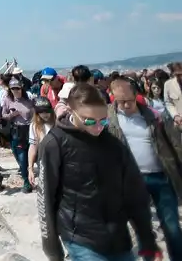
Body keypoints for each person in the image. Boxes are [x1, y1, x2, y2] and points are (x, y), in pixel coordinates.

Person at [37, 83, 161, 261]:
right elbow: (45, 198)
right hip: (79, 237)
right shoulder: (54, 144)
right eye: (89, 121)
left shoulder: (114, 145)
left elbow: (135, 194)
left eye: (103, 120)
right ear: (71, 111)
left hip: (118, 237)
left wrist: (147, 240)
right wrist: (52, 249)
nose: (97, 127)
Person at [106, 78, 182, 260]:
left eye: (128, 101)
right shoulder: (109, 118)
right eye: (120, 101)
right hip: (132, 181)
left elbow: (176, 145)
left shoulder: (154, 115)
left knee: (171, 225)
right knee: (142, 227)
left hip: (161, 177)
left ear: (136, 95)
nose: (124, 105)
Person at [1, 78, 35, 192]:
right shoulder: (7, 100)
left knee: (24, 156)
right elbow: (3, 115)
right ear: (10, 89)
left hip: (28, 129)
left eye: (17, 88)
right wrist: (11, 115)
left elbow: (34, 115)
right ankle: (25, 174)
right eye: (13, 88)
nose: (15, 90)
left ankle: (26, 182)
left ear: (21, 88)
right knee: (19, 156)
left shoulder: (29, 100)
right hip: (15, 130)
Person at [27, 97, 56, 188]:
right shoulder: (34, 126)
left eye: (47, 111)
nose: (45, 114)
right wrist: (30, 169)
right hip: (43, 161)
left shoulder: (58, 123)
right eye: (41, 112)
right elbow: (33, 147)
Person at [166, 63, 182, 127]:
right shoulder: (168, 85)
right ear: (173, 74)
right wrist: (175, 115)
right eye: (178, 75)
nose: (181, 77)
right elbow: (168, 103)